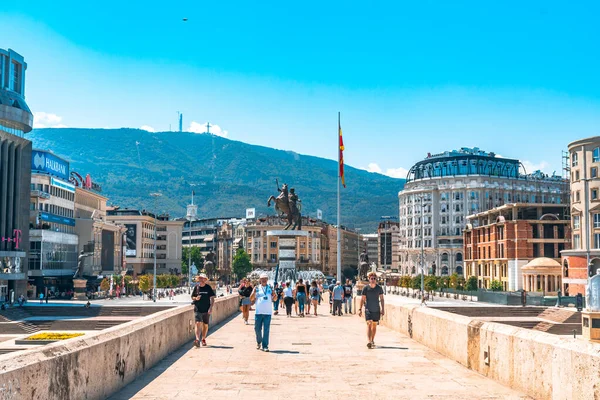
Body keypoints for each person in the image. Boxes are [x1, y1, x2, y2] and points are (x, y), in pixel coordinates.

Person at [251, 273, 277, 351]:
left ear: (267, 280)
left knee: (266, 330)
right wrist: (254, 292)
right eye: (262, 279)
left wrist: (275, 295)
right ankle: (259, 342)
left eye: (265, 279)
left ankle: (265, 346)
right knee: (257, 329)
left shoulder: (270, 288)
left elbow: (275, 299)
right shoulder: (257, 288)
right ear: (260, 280)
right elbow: (251, 299)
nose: (264, 280)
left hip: (267, 313)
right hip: (258, 312)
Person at [359, 271, 385, 349]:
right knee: (369, 323)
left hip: (376, 309)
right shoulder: (365, 288)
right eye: (371, 278)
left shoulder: (379, 288)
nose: (373, 280)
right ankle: (369, 341)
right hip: (368, 309)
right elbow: (362, 299)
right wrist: (360, 309)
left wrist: (383, 309)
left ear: (376, 279)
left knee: (374, 326)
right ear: (369, 279)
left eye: (374, 278)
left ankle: (372, 339)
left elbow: (382, 299)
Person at [191, 273, 216, 347]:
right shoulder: (196, 287)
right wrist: (196, 298)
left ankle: (203, 339)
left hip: (206, 309)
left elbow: (212, 298)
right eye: (200, 278)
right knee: (198, 323)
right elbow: (192, 297)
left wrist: (211, 307)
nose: (201, 280)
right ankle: (197, 340)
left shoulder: (208, 287)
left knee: (205, 325)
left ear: (205, 280)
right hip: (198, 308)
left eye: (203, 278)